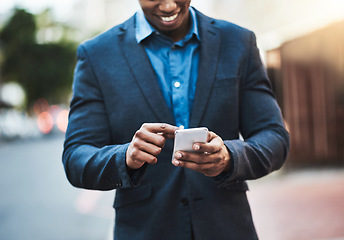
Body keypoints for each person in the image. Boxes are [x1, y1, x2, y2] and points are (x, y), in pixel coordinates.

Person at [62, 0, 290, 239]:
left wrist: (229, 157)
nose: (169, 5)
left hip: (228, 228)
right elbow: (76, 157)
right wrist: (125, 157)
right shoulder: (97, 54)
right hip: (146, 230)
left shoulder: (238, 42)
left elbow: (274, 137)